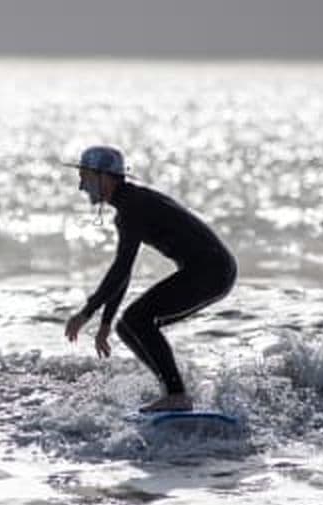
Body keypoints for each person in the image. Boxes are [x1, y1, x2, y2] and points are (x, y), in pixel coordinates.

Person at [63, 146, 236, 412]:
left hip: (210, 271)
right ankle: (173, 391)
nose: (81, 186)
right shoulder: (130, 204)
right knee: (129, 326)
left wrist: (86, 313)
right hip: (212, 271)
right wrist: (107, 323)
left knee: (138, 320)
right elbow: (125, 271)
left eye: (85, 177)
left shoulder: (133, 207)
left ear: (104, 177)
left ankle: (177, 395)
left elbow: (121, 268)